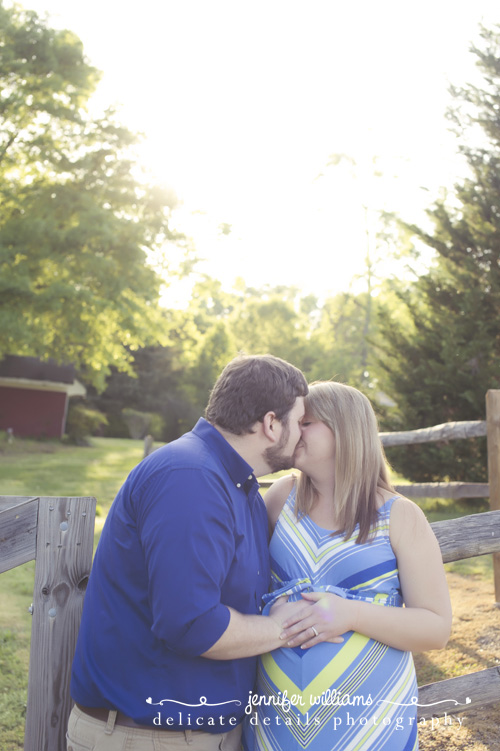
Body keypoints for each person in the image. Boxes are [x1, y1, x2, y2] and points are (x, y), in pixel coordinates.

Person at [67, 354, 312, 751]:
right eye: (300, 422)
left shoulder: (236, 483)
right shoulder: (190, 478)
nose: (304, 434)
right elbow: (191, 624)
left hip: (193, 734)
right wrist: (283, 629)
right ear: (270, 424)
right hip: (147, 737)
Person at [243, 381, 452, 751]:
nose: (291, 431)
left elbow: (435, 628)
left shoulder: (400, 516)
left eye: (305, 422)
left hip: (368, 726)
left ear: (345, 431)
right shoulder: (280, 498)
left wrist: (351, 614)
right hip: (277, 722)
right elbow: (244, 585)